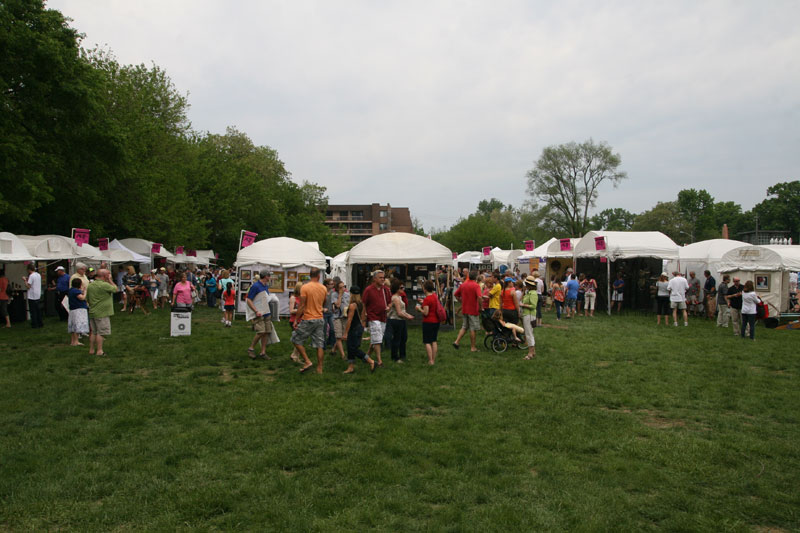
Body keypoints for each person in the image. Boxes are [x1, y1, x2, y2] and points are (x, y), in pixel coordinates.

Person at [291, 267, 328, 373]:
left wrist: (296, 319)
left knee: (296, 339)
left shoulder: (305, 287)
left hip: (308, 318)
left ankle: (307, 361)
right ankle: (320, 368)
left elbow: (301, 305)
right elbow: (323, 302)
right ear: (319, 276)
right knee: (319, 344)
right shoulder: (323, 288)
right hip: (320, 318)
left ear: (310, 275)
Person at [341, 285, 377, 374]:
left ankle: (370, 361)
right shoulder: (361, 303)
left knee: (353, 349)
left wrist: (345, 333)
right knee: (351, 348)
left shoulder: (352, 305)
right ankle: (350, 367)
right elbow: (363, 316)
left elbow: (349, 320)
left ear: (351, 294)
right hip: (360, 327)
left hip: (354, 328)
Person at [362, 270, 391, 367]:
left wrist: (388, 307)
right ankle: (379, 361)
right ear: (374, 278)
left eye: (383, 277)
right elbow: (364, 304)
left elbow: (390, 302)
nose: (383, 279)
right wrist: (363, 319)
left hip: (383, 316)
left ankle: (366, 357)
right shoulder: (368, 290)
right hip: (373, 316)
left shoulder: (386, 290)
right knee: (377, 338)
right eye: (380, 277)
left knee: (377, 338)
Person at [86, 269, 117, 356]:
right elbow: (115, 289)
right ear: (105, 276)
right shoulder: (104, 285)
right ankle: (99, 351)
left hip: (93, 311)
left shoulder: (91, 285)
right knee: (101, 332)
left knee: (94, 332)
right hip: (102, 312)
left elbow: (87, 298)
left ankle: (91, 350)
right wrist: (110, 280)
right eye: (108, 274)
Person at [245, 269, 274, 360]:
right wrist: (256, 311)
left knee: (266, 332)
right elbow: (249, 300)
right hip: (259, 313)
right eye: (269, 276)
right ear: (266, 276)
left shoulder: (265, 285)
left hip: (266, 312)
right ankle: (251, 348)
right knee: (261, 332)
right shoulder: (256, 286)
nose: (270, 277)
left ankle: (263, 352)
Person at [452, 270, 482, 352]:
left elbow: (456, 294)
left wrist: (461, 301)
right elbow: (479, 297)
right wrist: (481, 307)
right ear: (476, 277)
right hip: (473, 309)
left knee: (464, 326)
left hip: (465, 309)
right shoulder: (476, 286)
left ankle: (456, 341)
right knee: (473, 328)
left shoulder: (463, 284)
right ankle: (473, 347)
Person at [386, 278, 414, 363]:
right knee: (397, 339)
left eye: (403, 287)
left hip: (401, 320)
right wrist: (408, 317)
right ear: (397, 289)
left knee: (403, 338)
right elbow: (399, 312)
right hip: (396, 321)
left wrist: (408, 315)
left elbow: (402, 311)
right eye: (401, 288)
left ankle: (402, 355)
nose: (403, 289)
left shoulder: (399, 297)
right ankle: (395, 357)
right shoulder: (395, 298)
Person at [415, 280, 440, 365]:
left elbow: (426, 313)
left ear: (425, 289)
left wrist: (419, 309)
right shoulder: (435, 296)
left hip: (428, 322)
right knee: (434, 340)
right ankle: (434, 359)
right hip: (436, 321)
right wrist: (423, 302)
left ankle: (430, 360)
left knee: (427, 341)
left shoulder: (427, 299)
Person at [67, 277, 89, 346]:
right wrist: (85, 292)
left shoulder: (71, 290)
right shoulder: (76, 291)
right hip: (79, 310)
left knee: (73, 325)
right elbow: (82, 298)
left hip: (72, 309)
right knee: (77, 325)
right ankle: (76, 341)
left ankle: (73, 341)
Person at [520, 277, 538, 360]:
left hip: (529, 315)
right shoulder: (529, 292)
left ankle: (530, 353)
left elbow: (533, 306)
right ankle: (532, 351)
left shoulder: (533, 293)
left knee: (528, 333)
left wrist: (523, 305)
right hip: (527, 314)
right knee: (529, 333)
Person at [330, 281, 348, 360]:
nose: (343, 289)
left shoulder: (347, 294)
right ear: (337, 288)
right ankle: (343, 355)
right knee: (338, 336)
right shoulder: (334, 295)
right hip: (337, 317)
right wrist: (340, 295)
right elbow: (337, 305)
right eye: (340, 287)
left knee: (343, 336)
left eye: (343, 287)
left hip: (345, 317)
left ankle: (334, 349)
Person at [287, 283, 303, 363]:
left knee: (300, 339)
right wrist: (300, 310)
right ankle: (295, 356)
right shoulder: (293, 298)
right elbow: (291, 310)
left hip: (302, 320)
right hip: (294, 321)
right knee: (299, 339)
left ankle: (294, 355)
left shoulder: (302, 298)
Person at [23, 264, 43, 329]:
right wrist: (28, 279)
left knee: (33, 311)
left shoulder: (31, 276)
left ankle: (34, 324)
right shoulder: (38, 275)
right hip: (38, 295)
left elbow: (28, 286)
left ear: (29, 270)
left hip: (32, 296)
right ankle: (40, 323)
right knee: (38, 310)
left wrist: (25, 280)